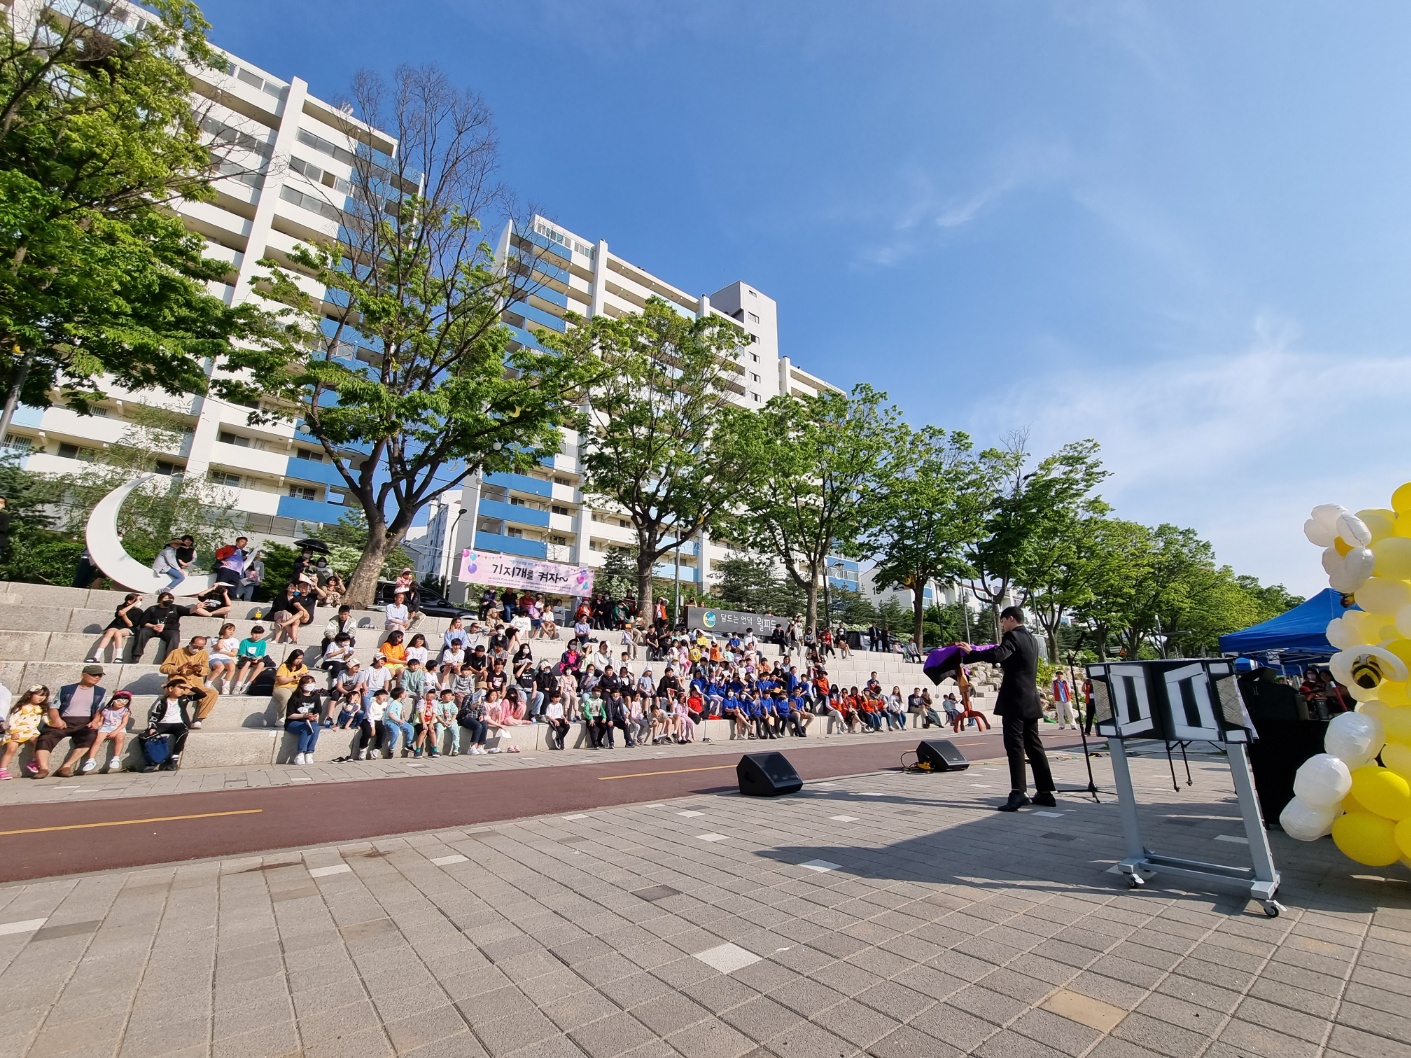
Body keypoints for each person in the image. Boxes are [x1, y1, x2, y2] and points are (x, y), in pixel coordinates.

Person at [957, 606, 1055, 812]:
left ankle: (1018, 792)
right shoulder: (1031, 639)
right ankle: (1045, 792)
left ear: (1011, 619)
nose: (1002, 626)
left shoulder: (1013, 637)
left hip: (1015, 699)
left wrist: (971, 653)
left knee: (1015, 746)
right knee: (1034, 745)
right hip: (1030, 698)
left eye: (1003, 621)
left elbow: (999, 655)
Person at [26, 666, 108, 778]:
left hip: (84, 722)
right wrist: (57, 719)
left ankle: (66, 766)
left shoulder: (100, 692)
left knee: (90, 736)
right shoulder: (66, 689)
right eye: (94, 675)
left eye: (99, 675)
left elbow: (99, 710)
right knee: (46, 736)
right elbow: (54, 707)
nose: (97, 677)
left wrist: (95, 721)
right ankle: (43, 768)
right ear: (83, 674)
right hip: (64, 720)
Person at [159, 635, 219, 727]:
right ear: (190, 643)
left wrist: (199, 669)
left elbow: (207, 670)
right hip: (180, 683)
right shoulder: (176, 652)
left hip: (195, 684)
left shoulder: (203, 653)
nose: (197, 649)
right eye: (195, 646)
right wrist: (179, 668)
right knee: (180, 690)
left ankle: (199, 719)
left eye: (200, 647)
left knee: (212, 693)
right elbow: (163, 668)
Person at [144, 678, 197, 771]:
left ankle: (174, 758)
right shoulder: (162, 702)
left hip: (178, 724)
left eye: (183, 689)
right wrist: (152, 727)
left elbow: (202, 695)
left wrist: (189, 687)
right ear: (170, 689)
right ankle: (152, 760)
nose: (182, 690)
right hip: (163, 723)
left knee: (183, 733)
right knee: (146, 736)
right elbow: (154, 716)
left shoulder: (184, 699)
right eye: (180, 688)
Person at [0, 686, 50, 780]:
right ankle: (2, 769)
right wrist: (14, 731)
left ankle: (35, 761)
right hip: (17, 730)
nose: (42, 698)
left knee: (39, 741)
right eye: (39, 695)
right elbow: (12, 720)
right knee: (11, 748)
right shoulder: (21, 707)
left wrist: (53, 724)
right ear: (30, 695)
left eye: (44, 696)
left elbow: (46, 719)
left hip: (31, 731)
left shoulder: (41, 708)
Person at [83, 690, 132, 773]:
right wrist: (96, 725)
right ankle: (91, 760)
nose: (122, 703)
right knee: (97, 740)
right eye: (119, 701)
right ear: (113, 700)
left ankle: (116, 758)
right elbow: (101, 721)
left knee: (120, 738)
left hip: (118, 728)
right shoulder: (106, 710)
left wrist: (115, 731)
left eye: (125, 701)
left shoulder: (125, 711)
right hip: (106, 727)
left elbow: (124, 723)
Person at [130, 592, 188, 663]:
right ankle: (136, 656)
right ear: (160, 600)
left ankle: (168, 660)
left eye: (171, 599)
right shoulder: (152, 609)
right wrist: (153, 626)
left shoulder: (175, 608)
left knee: (174, 636)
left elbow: (188, 611)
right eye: (166, 598)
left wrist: (196, 607)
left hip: (168, 629)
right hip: (153, 628)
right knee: (142, 632)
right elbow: (143, 622)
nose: (169, 600)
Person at [88, 593, 143, 663]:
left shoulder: (139, 611)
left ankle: (119, 656)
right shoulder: (120, 606)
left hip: (128, 628)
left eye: (140, 600)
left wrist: (124, 615)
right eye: (137, 600)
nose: (139, 602)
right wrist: (131, 606)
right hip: (116, 625)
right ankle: (96, 656)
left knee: (118, 633)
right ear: (129, 601)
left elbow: (130, 624)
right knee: (109, 632)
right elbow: (120, 612)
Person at [284, 676, 321, 764]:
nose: (310, 685)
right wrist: (303, 716)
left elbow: (318, 711)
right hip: (294, 722)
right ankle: (300, 753)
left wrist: (315, 716)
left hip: (310, 720)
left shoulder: (316, 696)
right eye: (307, 683)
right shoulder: (295, 697)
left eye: (312, 682)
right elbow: (290, 715)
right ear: (301, 685)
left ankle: (309, 752)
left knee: (316, 728)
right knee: (306, 728)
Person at [270, 650, 309, 725]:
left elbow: (305, 679)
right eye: (297, 658)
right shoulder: (284, 666)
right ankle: (281, 717)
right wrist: (296, 676)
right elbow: (282, 681)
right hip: (282, 687)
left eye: (301, 658)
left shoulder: (303, 667)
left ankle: (301, 716)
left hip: (296, 686)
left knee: (306, 695)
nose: (299, 660)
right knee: (286, 697)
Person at [230, 626, 269, 695]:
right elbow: (242, 654)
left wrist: (257, 658)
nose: (257, 635)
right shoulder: (245, 641)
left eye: (260, 634)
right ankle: (238, 685)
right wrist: (250, 658)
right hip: (246, 659)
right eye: (255, 633)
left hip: (256, 659)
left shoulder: (262, 643)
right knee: (247, 662)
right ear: (251, 633)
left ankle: (248, 684)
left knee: (261, 664)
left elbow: (261, 654)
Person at [207, 623, 240, 691]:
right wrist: (221, 638)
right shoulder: (215, 639)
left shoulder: (235, 640)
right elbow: (219, 647)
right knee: (220, 667)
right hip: (214, 657)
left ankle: (226, 685)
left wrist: (222, 652)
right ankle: (208, 683)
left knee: (232, 666)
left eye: (233, 630)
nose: (231, 632)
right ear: (224, 630)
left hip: (226, 657)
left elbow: (234, 653)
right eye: (229, 629)